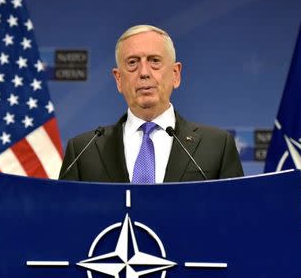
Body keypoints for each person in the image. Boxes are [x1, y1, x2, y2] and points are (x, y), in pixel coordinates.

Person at [59, 25, 243, 183]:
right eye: (132, 63)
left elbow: (237, 217)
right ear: (118, 79)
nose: (144, 72)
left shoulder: (217, 146)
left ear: (175, 74)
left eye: (155, 61)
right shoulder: (83, 151)